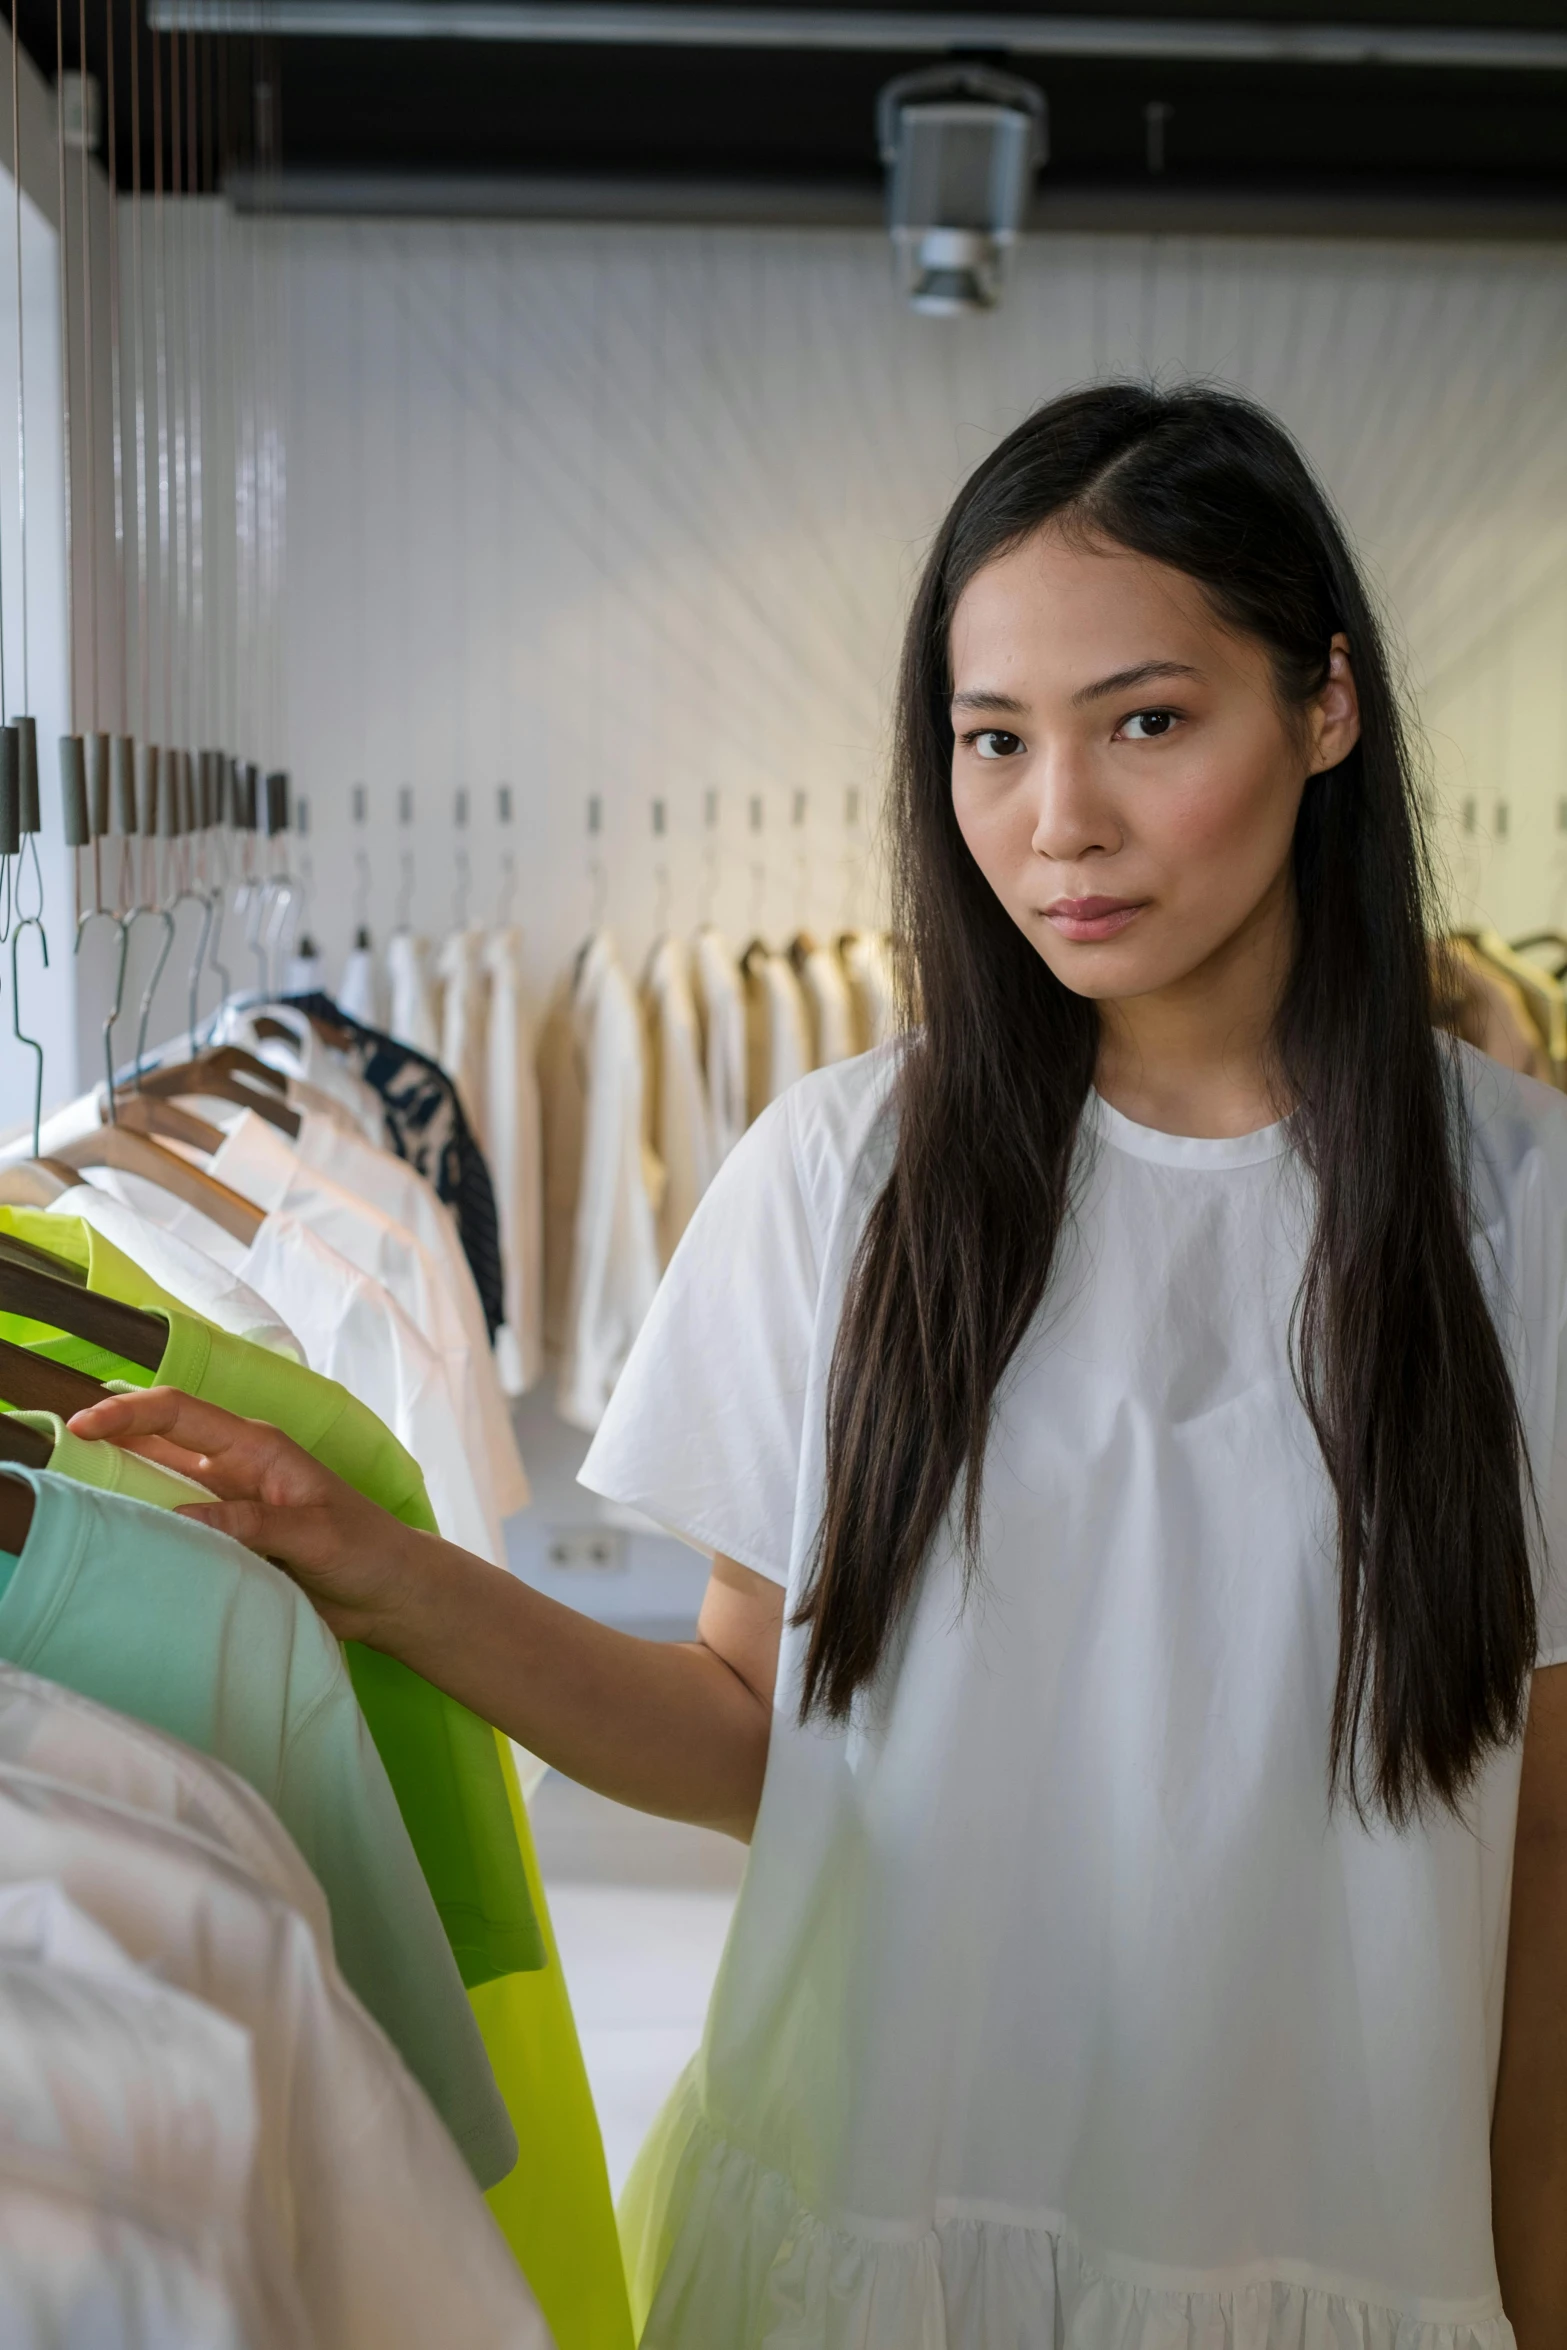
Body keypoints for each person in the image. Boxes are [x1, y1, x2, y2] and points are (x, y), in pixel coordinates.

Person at [72, 385, 1567, 2350]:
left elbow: (1542, 1843)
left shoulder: (1518, 1205)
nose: (1060, 822)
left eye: (1148, 720)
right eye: (992, 739)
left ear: (1326, 709)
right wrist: (382, 1565)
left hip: (1329, 2245)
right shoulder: (847, 1171)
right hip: (877, 2231)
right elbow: (743, 1727)